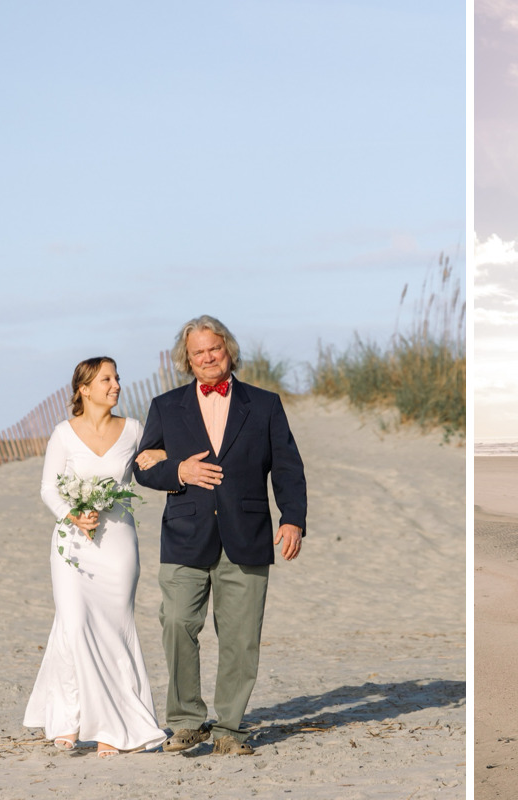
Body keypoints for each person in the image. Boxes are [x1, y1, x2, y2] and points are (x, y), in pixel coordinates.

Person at [135, 315, 307, 756]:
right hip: (184, 535)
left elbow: (287, 466)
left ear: (228, 349)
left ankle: (230, 729)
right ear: (187, 361)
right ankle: (187, 722)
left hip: (247, 534)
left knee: (240, 636)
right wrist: (180, 470)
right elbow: (144, 468)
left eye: (214, 348)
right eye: (198, 352)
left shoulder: (265, 404)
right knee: (176, 624)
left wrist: (293, 519)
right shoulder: (165, 406)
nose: (208, 357)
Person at [24, 357, 169, 757]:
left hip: (118, 543)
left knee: (115, 627)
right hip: (72, 545)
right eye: (107, 379)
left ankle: (112, 725)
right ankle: (68, 718)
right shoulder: (63, 434)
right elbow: (48, 489)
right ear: (84, 389)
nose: (116, 385)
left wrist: (161, 460)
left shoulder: (135, 430)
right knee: (73, 624)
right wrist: (74, 515)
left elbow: (153, 464)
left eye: (118, 378)